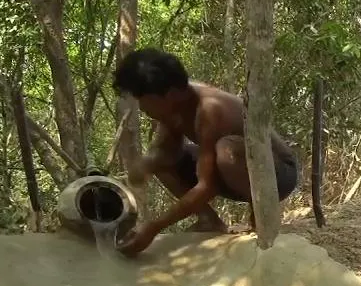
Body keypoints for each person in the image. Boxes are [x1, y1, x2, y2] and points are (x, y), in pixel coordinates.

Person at [109, 47, 300, 255]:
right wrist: (145, 165)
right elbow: (165, 154)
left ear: (169, 95)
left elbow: (206, 187)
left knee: (226, 150)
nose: (141, 106)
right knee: (158, 159)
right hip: (232, 172)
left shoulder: (210, 110)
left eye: (142, 98)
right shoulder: (174, 106)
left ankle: (260, 222)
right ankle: (209, 220)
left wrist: (153, 228)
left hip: (277, 175)